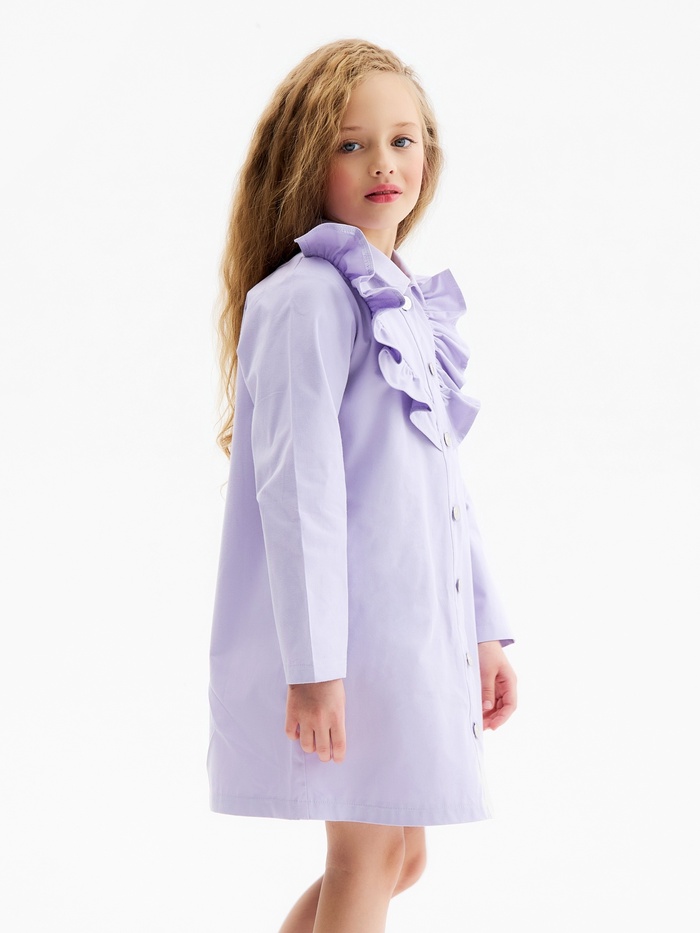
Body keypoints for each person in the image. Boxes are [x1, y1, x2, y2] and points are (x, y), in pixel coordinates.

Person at [207, 37, 518, 933]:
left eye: (402, 140)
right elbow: (297, 494)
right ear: (307, 161)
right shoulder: (306, 298)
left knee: (400, 855)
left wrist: (484, 628)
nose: (384, 162)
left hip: (412, 631)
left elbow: (442, 485)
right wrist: (315, 669)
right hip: (353, 640)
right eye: (352, 144)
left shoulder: (401, 296)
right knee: (369, 857)